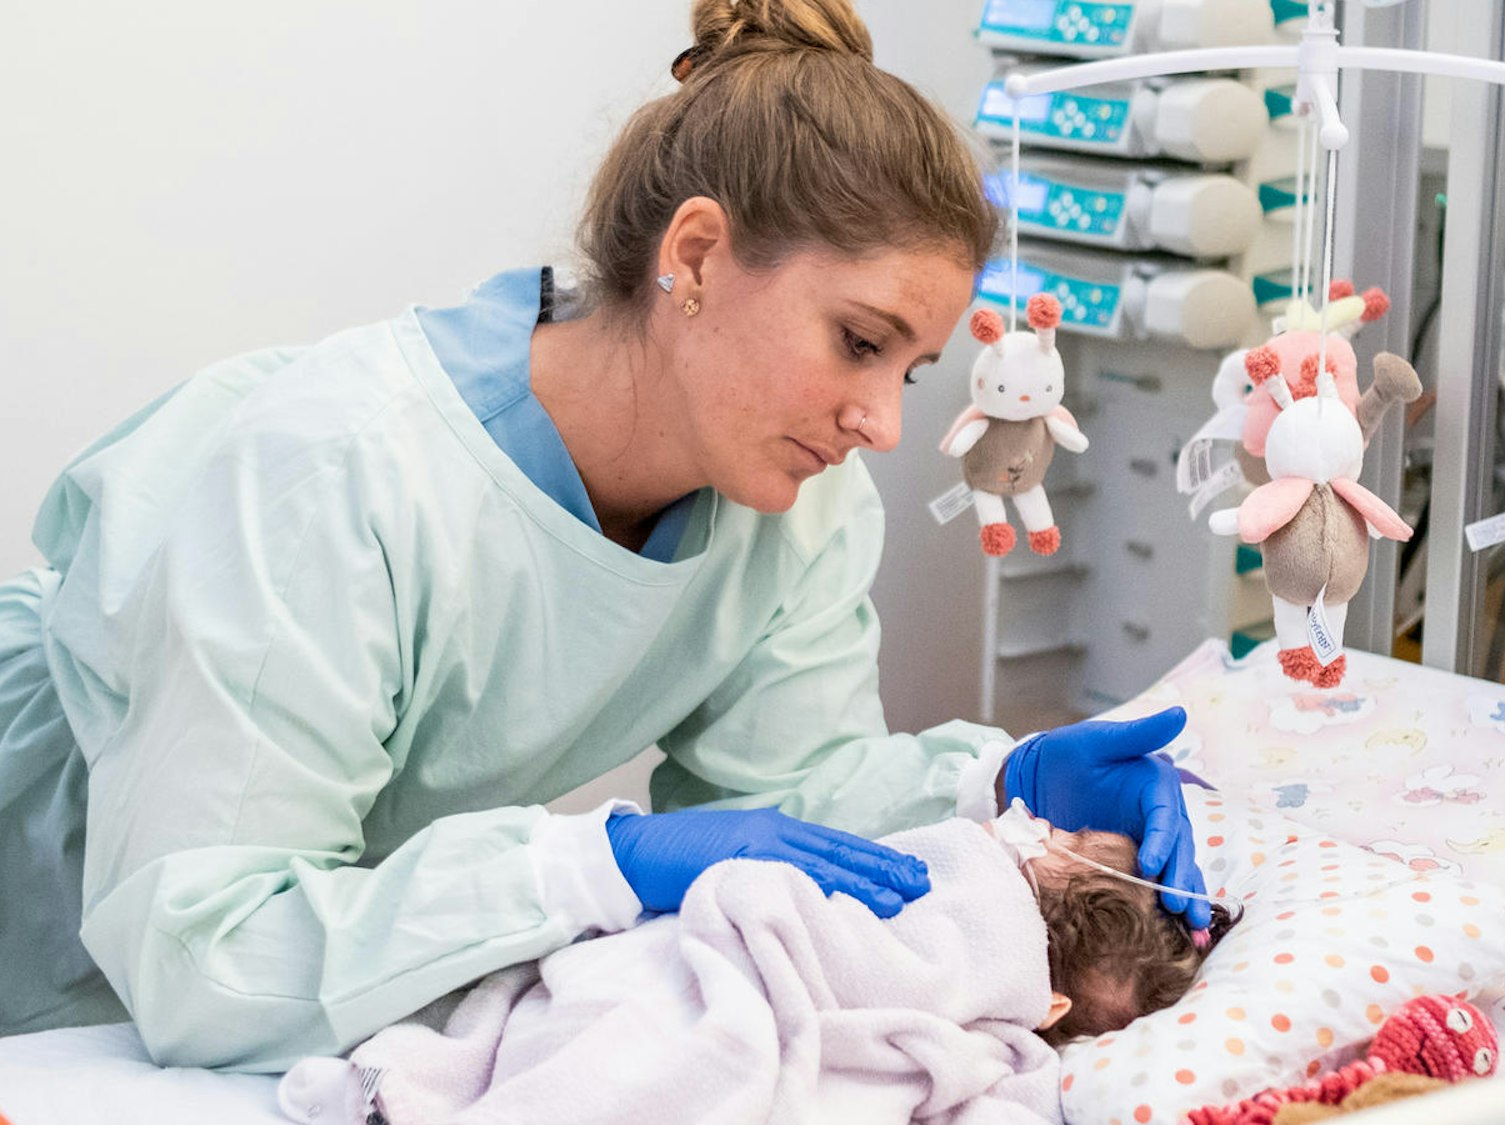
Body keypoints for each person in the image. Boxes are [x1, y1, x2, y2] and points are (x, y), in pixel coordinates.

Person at [0, 0, 1207, 1072]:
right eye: (857, 340)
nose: (883, 423)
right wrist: (596, 866)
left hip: (315, 936)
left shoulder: (792, 495)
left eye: (912, 367)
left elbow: (791, 786)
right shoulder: (336, 470)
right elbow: (203, 955)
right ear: (694, 257)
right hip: (58, 896)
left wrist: (996, 779)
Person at [275, 806, 1233, 1123]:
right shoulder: (964, 877)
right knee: (649, 1016)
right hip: (734, 951)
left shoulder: (989, 914)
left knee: (615, 1026)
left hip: (722, 965)